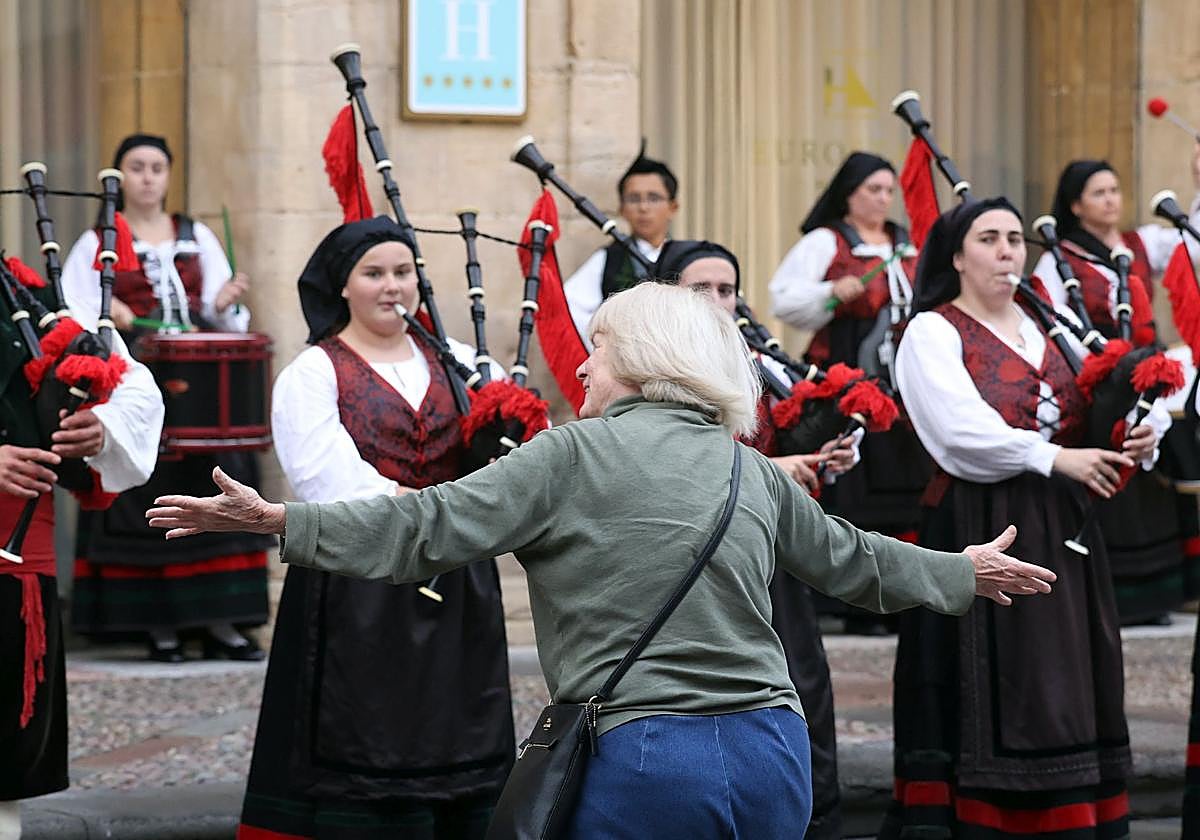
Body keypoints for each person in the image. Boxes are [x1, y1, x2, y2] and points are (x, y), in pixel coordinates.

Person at [148, 281, 1057, 840]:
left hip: (646, 759)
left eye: (597, 355)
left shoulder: (565, 456)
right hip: (779, 753)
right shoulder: (746, 465)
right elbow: (854, 563)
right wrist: (961, 571)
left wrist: (280, 523)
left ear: (641, 361)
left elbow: (421, 528)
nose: (579, 374)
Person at [882, 198, 1159, 839]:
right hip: (981, 518)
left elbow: (1098, 394)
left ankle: (1075, 816)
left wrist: (1133, 433)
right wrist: (1053, 456)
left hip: (1064, 519)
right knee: (1004, 682)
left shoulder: (1048, 316)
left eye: (1014, 237)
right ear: (956, 256)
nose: (1008, 250)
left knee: (1069, 673)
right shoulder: (932, 330)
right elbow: (956, 431)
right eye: (989, 238)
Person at [234, 216, 513, 840]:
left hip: (458, 586)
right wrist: (437, 517)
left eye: (403, 272)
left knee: (458, 726)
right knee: (365, 739)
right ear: (343, 286)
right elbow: (323, 481)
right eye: (374, 273)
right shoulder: (314, 372)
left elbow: (506, 474)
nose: (393, 286)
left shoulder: (462, 364)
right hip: (357, 585)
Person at [656, 237, 856, 840]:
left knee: (800, 687)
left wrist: (820, 458)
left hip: (774, 563)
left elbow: (779, 445)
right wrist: (777, 471)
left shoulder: (759, 363)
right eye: (701, 290)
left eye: (727, 289)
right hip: (696, 569)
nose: (719, 301)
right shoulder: (655, 373)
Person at [59, 133, 273, 662]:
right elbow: (74, 313)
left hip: (200, 386)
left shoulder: (196, 234)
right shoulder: (99, 240)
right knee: (147, 483)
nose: (148, 177)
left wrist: (224, 303)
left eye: (157, 167)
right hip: (136, 378)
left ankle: (222, 622)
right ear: (120, 177)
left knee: (216, 476)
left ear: (169, 175)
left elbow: (224, 314)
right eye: (137, 167)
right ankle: (160, 626)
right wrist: (110, 317)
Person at [0, 262, 164, 837]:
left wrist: (101, 425)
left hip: (13, 563)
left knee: (4, 762)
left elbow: (133, 387)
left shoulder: (26, 296)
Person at [1032, 149, 1200, 624]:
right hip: (1100, 384)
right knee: (1113, 480)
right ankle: (1116, 599)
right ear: (1076, 205)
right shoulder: (1058, 260)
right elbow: (1054, 325)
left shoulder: (1142, 243)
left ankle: (1156, 597)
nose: (1110, 200)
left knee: (1152, 479)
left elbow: (1194, 243)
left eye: (1114, 190)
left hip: (1151, 375)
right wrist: (1110, 371)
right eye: (1098, 193)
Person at [768, 151, 931, 634]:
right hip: (847, 377)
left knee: (907, 482)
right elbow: (783, 297)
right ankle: (854, 601)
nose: (882, 199)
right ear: (849, 194)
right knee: (854, 480)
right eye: (872, 190)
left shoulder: (905, 243)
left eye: (887, 190)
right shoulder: (829, 241)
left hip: (905, 385)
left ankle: (902, 593)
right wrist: (831, 292)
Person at [563, 141, 678, 344]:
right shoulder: (608, 260)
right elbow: (568, 309)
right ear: (622, 208)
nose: (643, 207)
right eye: (634, 199)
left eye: (653, 198)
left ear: (673, 206)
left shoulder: (688, 259)